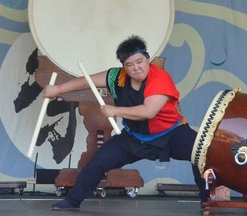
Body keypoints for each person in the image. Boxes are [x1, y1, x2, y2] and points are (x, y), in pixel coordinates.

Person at [44, 35, 210, 211]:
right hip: (134, 137)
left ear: (147, 58)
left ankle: (207, 200)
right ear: (124, 66)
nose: (136, 68)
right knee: (98, 163)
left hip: (171, 133)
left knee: (203, 154)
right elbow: (87, 80)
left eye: (140, 62)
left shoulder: (159, 78)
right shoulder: (117, 76)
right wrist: (58, 89)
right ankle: (72, 201)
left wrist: (115, 111)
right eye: (130, 65)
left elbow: (148, 112)